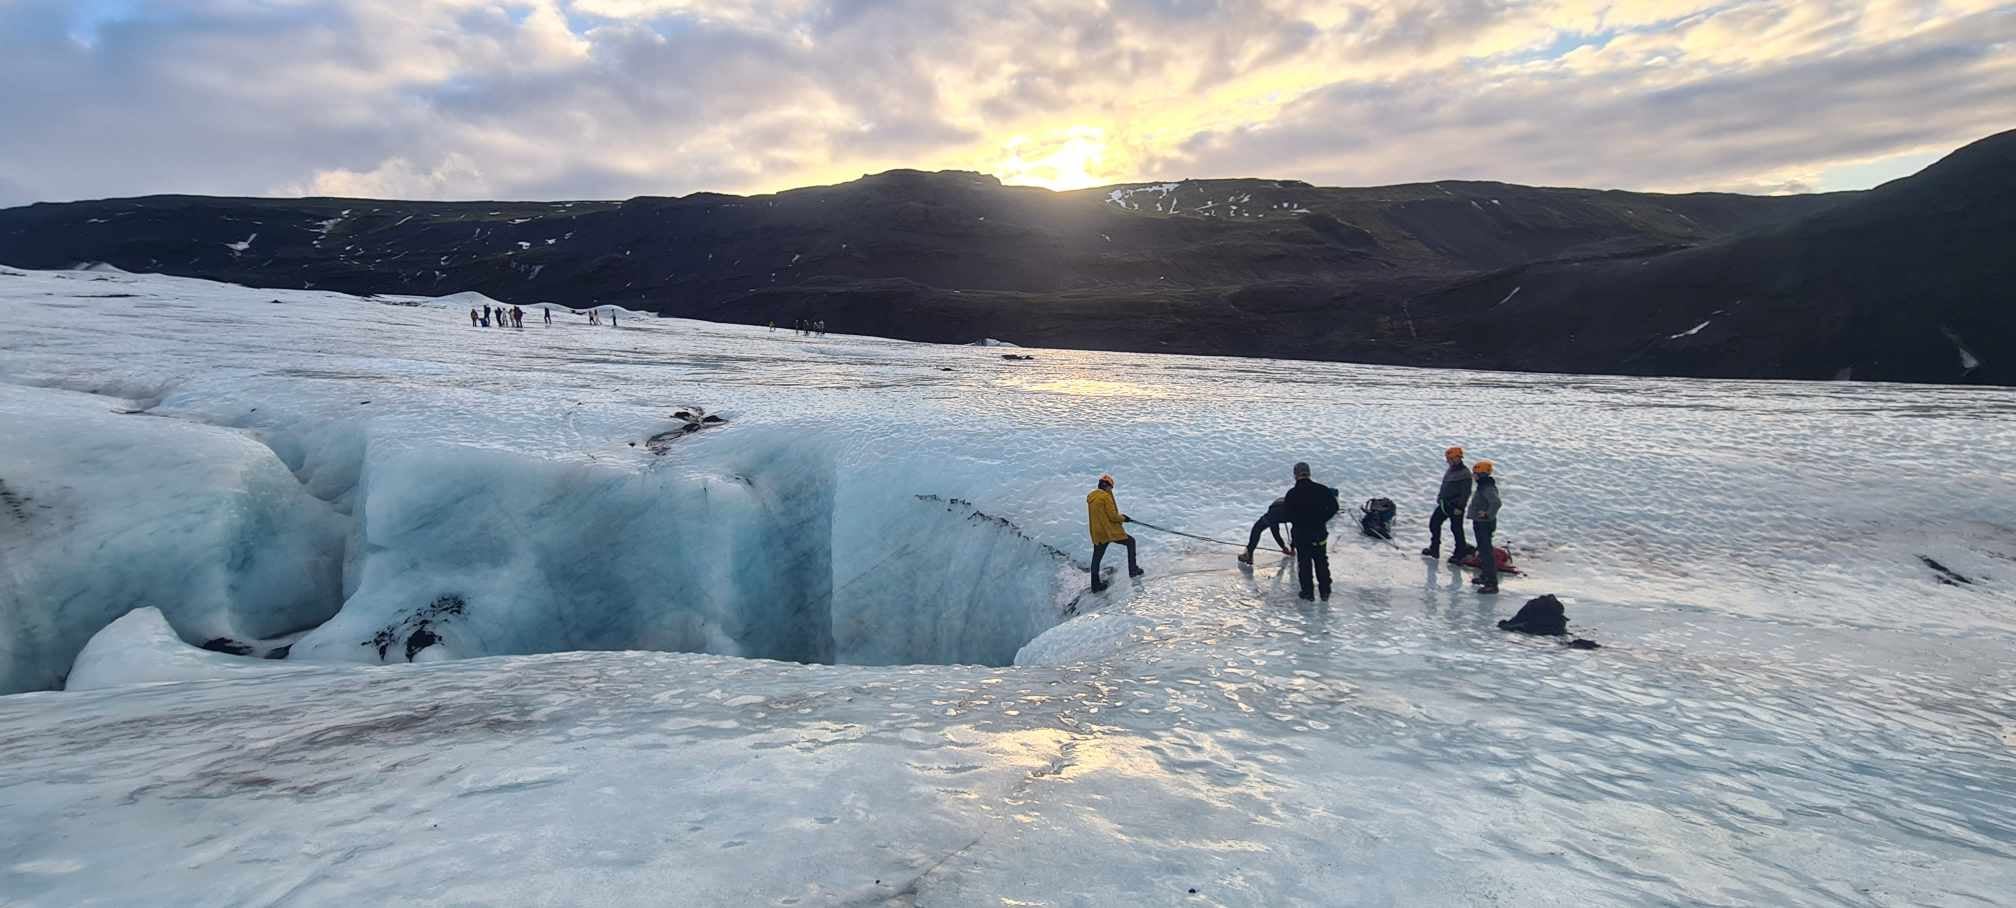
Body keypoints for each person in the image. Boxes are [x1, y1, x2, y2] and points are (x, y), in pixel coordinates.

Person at [1282, 462, 1339, 600]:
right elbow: (1334, 507)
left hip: (1301, 534)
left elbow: (1286, 514)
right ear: (1309, 473)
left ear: (1295, 475)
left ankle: (1307, 592)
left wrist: (1298, 520)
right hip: (1319, 532)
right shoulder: (1322, 489)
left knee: (1304, 562)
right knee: (1321, 560)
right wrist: (1322, 519)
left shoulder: (1292, 494)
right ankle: (1325, 590)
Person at [1086, 473, 1143, 592]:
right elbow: (1112, 516)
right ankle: (1133, 570)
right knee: (1130, 542)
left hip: (1097, 533)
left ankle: (1095, 585)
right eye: (1111, 488)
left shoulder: (1091, 497)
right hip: (1109, 531)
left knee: (1096, 558)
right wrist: (1124, 518)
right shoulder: (1105, 497)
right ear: (1107, 487)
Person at [1422, 446, 1474, 562]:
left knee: (1456, 529)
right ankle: (1434, 548)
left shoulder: (1465, 473)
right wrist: (1439, 497)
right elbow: (1444, 486)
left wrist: (1460, 507)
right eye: (1448, 459)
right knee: (1434, 523)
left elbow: (1466, 493)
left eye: (1450, 459)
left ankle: (1460, 553)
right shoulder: (1450, 470)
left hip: (1455, 507)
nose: (1448, 461)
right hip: (1444, 504)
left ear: (1458, 458)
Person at [1468, 460, 1502, 594]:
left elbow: (1496, 502)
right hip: (1481, 521)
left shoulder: (1487, 487)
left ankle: (1492, 583)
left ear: (1481, 474)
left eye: (1475, 474)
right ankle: (1485, 576)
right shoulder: (1484, 486)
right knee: (1483, 549)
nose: (1473, 476)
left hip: (1484, 523)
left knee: (1486, 552)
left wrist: (1487, 514)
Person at [1238, 497, 1293, 565]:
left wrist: (1283, 547)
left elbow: (1275, 531)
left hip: (1277, 511)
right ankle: (1295, 550)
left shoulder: (1280, 504)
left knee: (1257, 528)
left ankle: (1249, 553)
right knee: (1299, 528)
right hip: (1290, 511)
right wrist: (1286, 547)